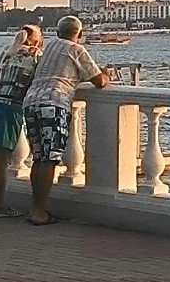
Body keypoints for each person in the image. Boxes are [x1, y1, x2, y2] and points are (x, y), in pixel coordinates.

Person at [21, 15, 111, 226]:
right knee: (50, 158)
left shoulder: (49, 48)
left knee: (38, 157)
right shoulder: (76, 49)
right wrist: (107, 74)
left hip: (31, 101)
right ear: (80, 34)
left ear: (57, 32)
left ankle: (35, 208)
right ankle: (39, 212)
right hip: (53, 103)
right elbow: (99, 81)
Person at [0, 24, 42, 218]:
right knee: (2, 160)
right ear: (37, 40)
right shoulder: (35, 55)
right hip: (9, 106)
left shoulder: (7, 51)